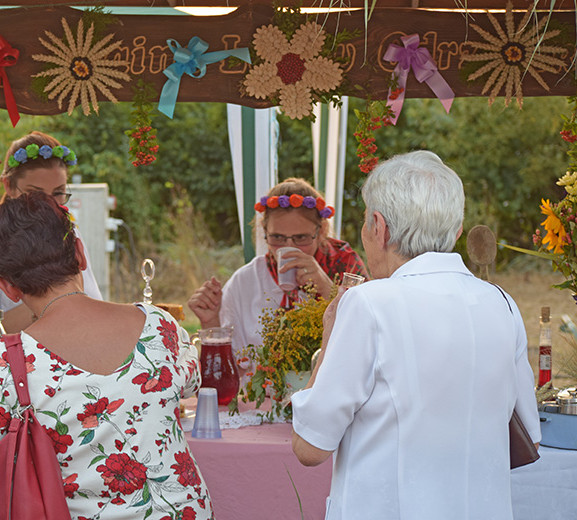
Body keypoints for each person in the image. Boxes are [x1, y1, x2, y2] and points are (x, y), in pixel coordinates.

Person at [291, 151, 541, 519]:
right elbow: (529, 435)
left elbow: (309, 447)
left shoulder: (368, 303)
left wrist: (330, 338)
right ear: (456, 231)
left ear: (379, 227)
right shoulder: (501, 302)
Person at [0, 191, 213, 520]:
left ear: (7, 287)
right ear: (80, 254)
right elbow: (192, 384)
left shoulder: (2, 362)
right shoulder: (160, 325)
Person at [188, 177, 368, 355]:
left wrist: (327, 288)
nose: (288, 247)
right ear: (264, 232)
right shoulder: (245, 282)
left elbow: (371, 335)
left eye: (301, 238)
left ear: (321, 232)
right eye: (277, 238)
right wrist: (211, 322)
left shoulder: (346, 269)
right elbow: (228, 365)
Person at [0, 131, 102, 333]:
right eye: (36, 194)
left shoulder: (69, 236)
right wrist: (50, 301)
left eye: (58, 193)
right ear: (9, 186)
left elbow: (92, 306)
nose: (48, 206)